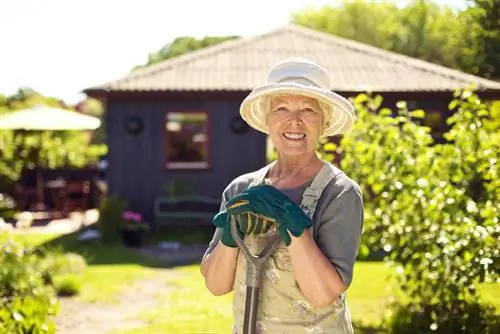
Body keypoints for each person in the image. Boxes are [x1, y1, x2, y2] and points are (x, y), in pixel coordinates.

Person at [200, 57, 364, 333]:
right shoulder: (241, 190)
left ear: (323, 123)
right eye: (282, 108)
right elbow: (216, 285)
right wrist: (230, 234)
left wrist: (294, 224)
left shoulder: (339, 193)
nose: (294, 121)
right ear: (268, 120)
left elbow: (323, 294)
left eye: (308, 110)